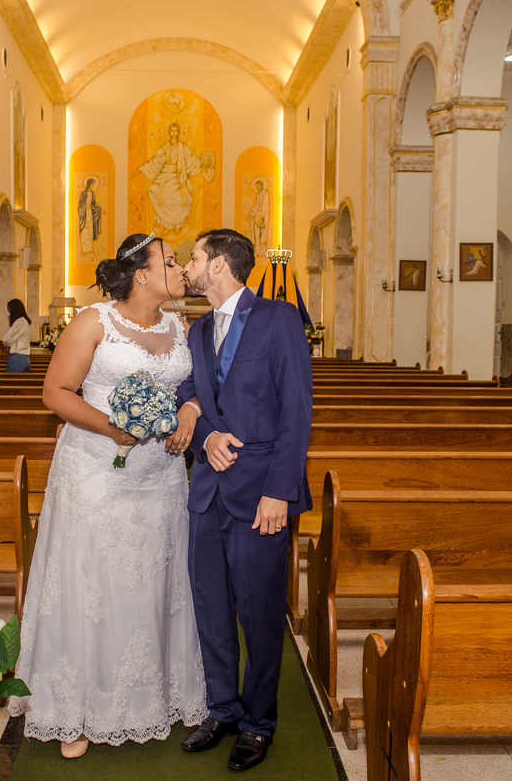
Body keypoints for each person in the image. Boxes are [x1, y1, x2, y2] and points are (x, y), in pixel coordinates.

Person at [10, 233, 207, 758]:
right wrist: (110, 428)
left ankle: (148, 697)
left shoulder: (179, 326)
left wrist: (187, 412)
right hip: (97, 471)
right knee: (90, 582)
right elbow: (55, 392)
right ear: (141, 274)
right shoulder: (93, 322)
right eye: (170, 262)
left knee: (150, 581)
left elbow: (192, 392)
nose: (181, 269)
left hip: (160, 476)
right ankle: (73, 710)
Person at [170, 228, 313, 772]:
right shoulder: (198, 329)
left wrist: (281, 489)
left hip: (260, 496)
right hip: (206, 491)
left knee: (257, 616)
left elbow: (297, 411)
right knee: (210, 610)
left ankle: (257, 722)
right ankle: (222, 708)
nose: (189, 265)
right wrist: (203, 432)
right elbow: (189, 394)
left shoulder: (279, 319)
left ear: (222, 263)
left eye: (196, 256)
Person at [4, 299, 32, 373]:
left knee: (11, 383)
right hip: (24, 358)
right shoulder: (24, 322)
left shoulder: (20, 322)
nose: (8, 314)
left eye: (9, 311)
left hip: (17, 358)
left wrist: (7, 344)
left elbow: (6, 340)